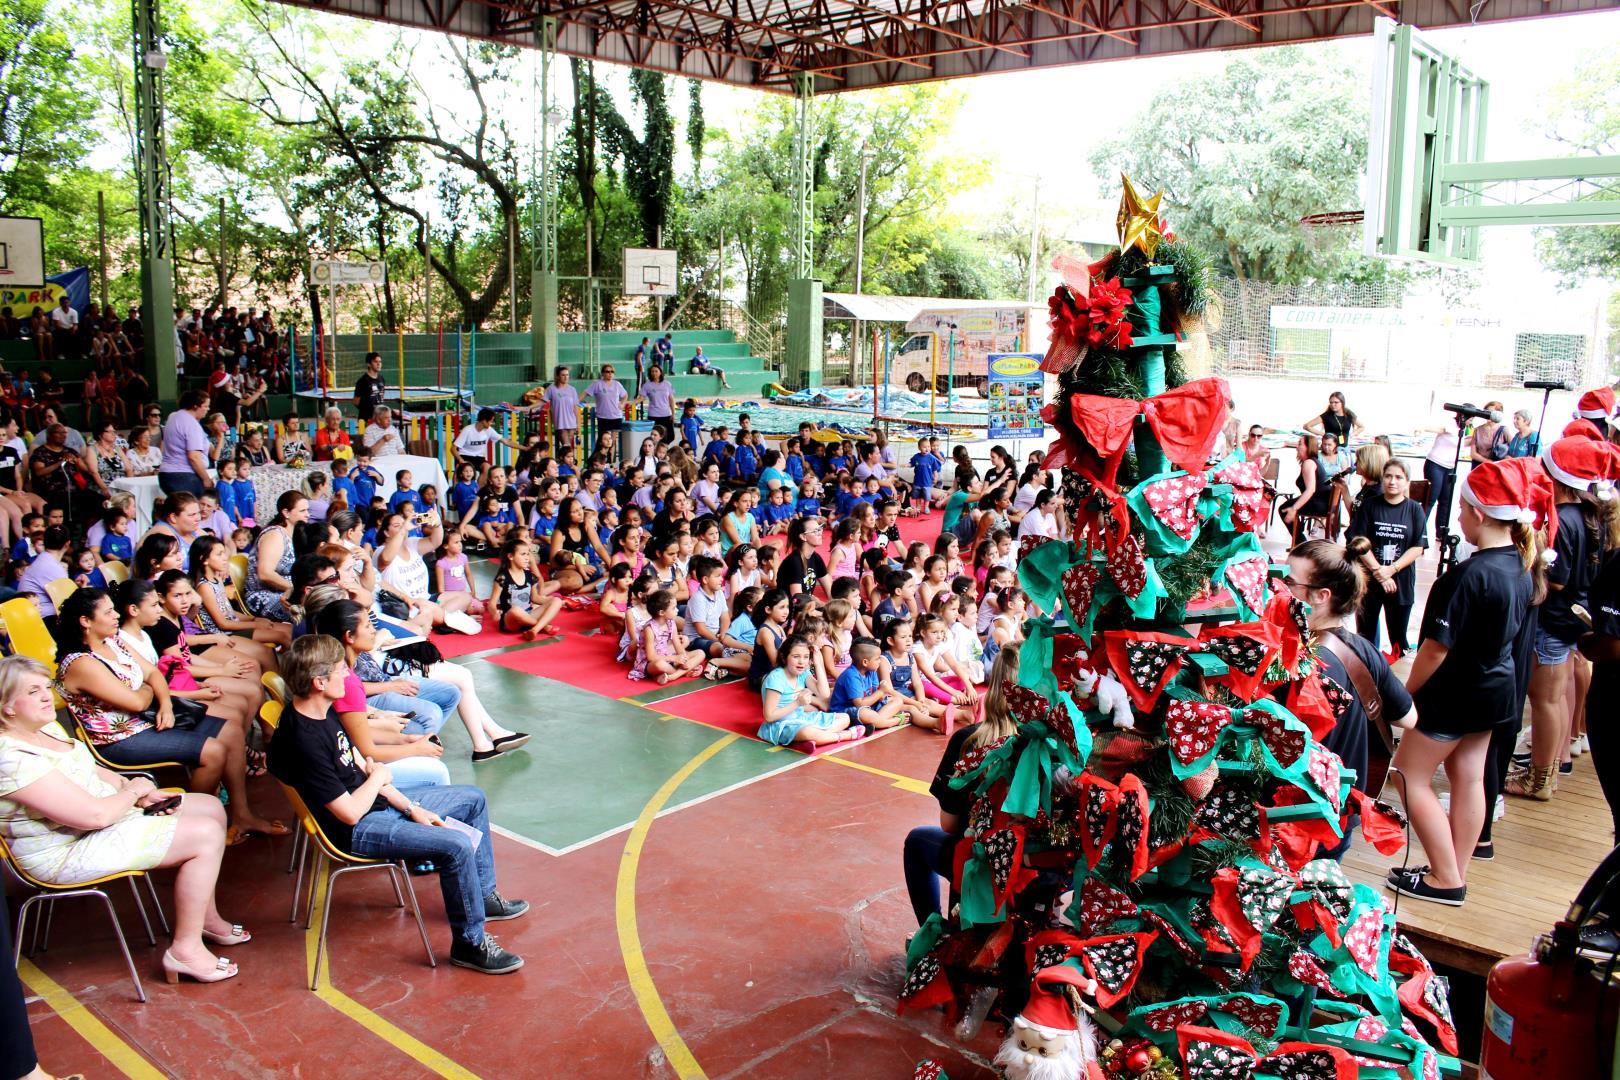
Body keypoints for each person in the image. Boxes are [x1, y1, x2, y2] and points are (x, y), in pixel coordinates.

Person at [268, 635, 528, 973]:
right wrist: (378, 779)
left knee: (472, 800)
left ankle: (483, 894)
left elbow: (361, 766)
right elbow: (348, 812)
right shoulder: (304, 738)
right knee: (455, 845)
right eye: (340, 670)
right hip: (357, 828)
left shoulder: (321, 711)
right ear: (319, 682)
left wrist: (410, 806)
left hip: (373, 803)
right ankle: (469, 943)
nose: (349, 675)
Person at [0, 654, 248, 988]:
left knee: (209, 808)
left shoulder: (45, 726)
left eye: (46, 687)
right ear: (6, 706)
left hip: (96, 819)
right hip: (63, 850)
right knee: (204, 835)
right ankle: (185, 950)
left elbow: (92, 770)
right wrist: (133, 792)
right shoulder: (10, 758)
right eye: (32, 691)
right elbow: (93, 816)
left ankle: (205, 917)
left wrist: (137, 792)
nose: (47, 696)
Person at [1386, 457, 1542, 906]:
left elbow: (1435, 650)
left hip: (1455, 693)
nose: (1457, 517)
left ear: (1476, 512)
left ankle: (1445, 877)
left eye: (1461, 509)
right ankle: (1455, 865)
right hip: (1498, 690)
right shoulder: (1521, 563)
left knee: (1408, 775)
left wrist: (1404, 694)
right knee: (1469, 777)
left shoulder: (1468, 576)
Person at [52, 586, 285, 845]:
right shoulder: (81, 663)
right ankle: (187, 825)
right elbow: (136, 701)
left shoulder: (112, 640)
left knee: (230, 731)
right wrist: (149, 689)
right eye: (108, 612)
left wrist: (163, 702)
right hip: (120, 738)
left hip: (150, 717)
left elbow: (152, 673)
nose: (116, 615)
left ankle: (243, 816)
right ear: (86, 621)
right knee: (213, 751)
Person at [1506, 436, 1620, 800]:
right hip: (1576, 614)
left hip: (1554, 619)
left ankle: (1540, 778)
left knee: (1545, 700)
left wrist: (1534, 560)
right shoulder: (1594, 514)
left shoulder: (1565, 520)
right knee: (1553, 699)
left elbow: (1557, 579)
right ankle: (1548, 767)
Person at [1285, 541, 1416, 855]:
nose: (1280, 587)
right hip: (1342, 807)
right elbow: (1408, 717)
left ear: (1321, 596)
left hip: (1296, 816)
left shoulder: (1299, 662)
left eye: (1289, 581)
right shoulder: (1362, 648)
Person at [1347, 460, 1428, 660]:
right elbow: (1358, 541)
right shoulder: (1370, 505)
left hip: (1400, 582)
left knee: (1399, 638)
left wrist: (1391, 569)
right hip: (1370, 581)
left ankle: (1398, 680)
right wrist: (1379, 573)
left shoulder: (1414, 509)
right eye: (1388, 476)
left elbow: (1418, 547)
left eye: (1399, 477)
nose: (1392, 481)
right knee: (1364, 636)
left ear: (1407, 482)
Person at [758, 634, 864, 746]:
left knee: (845, 718)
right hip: (780, 725)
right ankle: (845, 735)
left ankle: (812, 739)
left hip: (801, 719)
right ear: (784, 657)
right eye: (796, 656)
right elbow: (769, 716)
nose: (801, 662)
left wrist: (818, 663)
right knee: (807, 731)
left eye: (806, 657)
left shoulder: (803, 673)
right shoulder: (776, 678)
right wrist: (797, 703)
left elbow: (824, 694)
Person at [244, 490, 309, 622]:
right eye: (302, 511)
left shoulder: (294, 533)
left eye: (307, 510)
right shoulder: (275, 535)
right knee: (310, 612)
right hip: (263, 595)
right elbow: (264, 573)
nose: (308, 514)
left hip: (285, 591)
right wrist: (295, 589)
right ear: (286, 513)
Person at [158, 390, 213, 497]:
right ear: (195, 406)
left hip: (166, 474)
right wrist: (206, 479)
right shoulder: (191, 424)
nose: (207, 409)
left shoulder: (173, 416)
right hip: (184, 476)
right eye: (205, 406)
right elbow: (194, 457)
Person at [1279, 435, 1330, 538]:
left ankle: (1299, 542)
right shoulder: (1314, 461)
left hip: (1318, 504)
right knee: (1287, 506)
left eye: (1300, 444)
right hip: (1321, 501)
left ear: (1308, 447)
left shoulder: (1308, 463)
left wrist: (1294, 508)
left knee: (1284, 509)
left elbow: (1311, 489)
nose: (1297, 447)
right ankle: (1299, 537)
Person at [17, 525, 71, 620]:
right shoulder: (52, 566)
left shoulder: (45, 560)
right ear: (67, 544)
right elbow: (70, 603)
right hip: (40, 620)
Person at [453, 408, 520, 482]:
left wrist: (525, 448)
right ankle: (455, 491)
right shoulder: (467, 430)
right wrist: (460, 460)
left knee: (487, 468)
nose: (492, 423)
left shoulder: (489, 430)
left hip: (478, 457)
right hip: (464, 455)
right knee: (458, 467)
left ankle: (478, 491)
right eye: (491, 421)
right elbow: (453, 448)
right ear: (484, 421)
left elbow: (506, 442)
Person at [539, 367, 581, 450]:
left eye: (567, 375)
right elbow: (543, 401)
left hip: (571, 423)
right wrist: (528, 408)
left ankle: (564, 460)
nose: (566, 377)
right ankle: (569, 461)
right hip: (560, 423)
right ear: (558, 376)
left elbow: (575, 407)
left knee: (567, 448)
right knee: (567, 446)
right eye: (563, 375)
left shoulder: (572, 389)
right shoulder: (551, 388)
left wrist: (578, 424)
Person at [584, 364, 630, 436]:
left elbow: (625, 395)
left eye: (612, 372)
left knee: (613, 440)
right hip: (603, 416)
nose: (610, 373)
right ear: (603, 373)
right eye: (607, 371)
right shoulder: (597, 384)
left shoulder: (617, 384)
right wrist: (575, 402)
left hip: (616, 416)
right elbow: (585, 393)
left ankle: (612, 448)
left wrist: (622, 403)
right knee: (604, 438)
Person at [637, 365, 677, 444]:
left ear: (660, 372)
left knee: (670, 436)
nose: (654, 373)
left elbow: (671, 399)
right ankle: (656, 452)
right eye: (652, 371)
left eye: (656, 371)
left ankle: (662, 451)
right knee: (655, 436)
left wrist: (673, 413)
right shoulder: (647, 385)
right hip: (654, 415)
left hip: (666, 415)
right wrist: (630, 403)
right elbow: (641, 398)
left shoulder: (667, 384)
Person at [1469, 401, 1510, 467]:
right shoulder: (1477, 430)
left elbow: (1512, 451)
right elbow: (1473, 453)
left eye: (1491, 412)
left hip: (1496, 467)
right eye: (1487, 411)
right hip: (1479, 466)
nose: (1488, 414)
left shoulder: (1504, 430)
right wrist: (1487, 461)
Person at [353, 351, 388, 420]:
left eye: (380, 362)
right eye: (375, 362)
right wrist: (367, 410)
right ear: (369, 364)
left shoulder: (381, 379)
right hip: (367, 419)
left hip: (380, 418)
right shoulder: (363, 381)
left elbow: (381, 396)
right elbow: (355, 402)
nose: (378, 364)